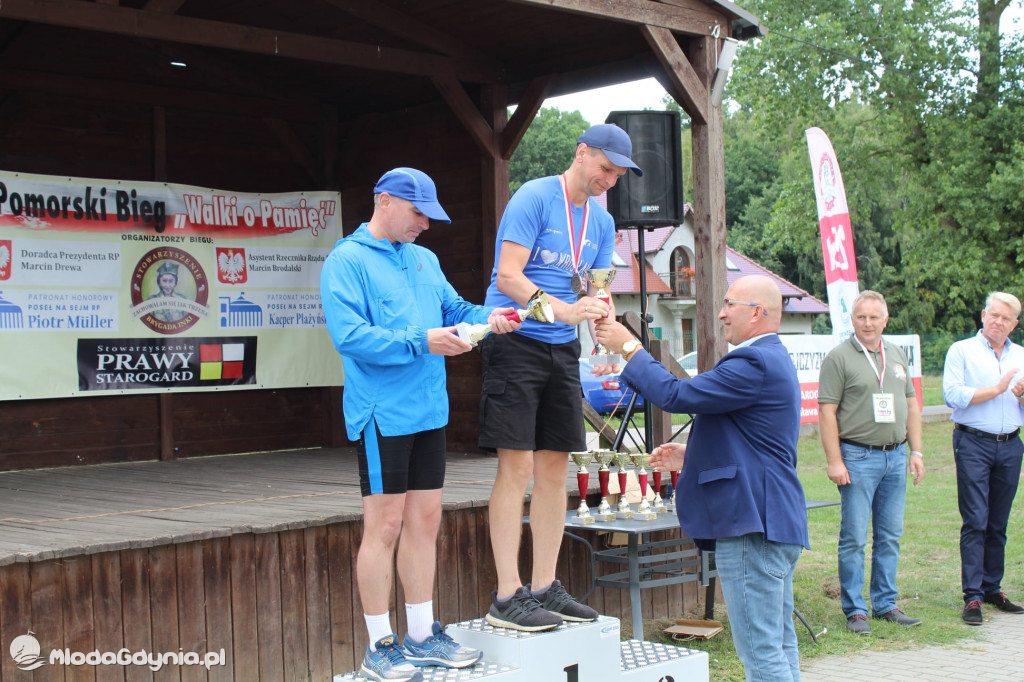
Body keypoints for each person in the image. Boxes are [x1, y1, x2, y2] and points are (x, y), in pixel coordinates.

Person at [321, 167, 520, 682]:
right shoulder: (346, 261)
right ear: (384, 201)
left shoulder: (425, 259)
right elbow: (351, 338)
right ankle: (378, 646)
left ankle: (421, 633)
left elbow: (456, 308)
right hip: (381, 414)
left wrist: (492, 317)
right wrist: (421, 341)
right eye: (417, 213)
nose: (425, 225)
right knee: (383, 526)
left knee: (425, 521)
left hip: (429, 410)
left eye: (429, 216)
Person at [595, 275, 809, 682]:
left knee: (762, 654)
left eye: (730, 304)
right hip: (770, 520)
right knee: (779, 645)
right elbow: (753, 441)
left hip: (752, 526)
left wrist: (627, 345)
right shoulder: (770, 359)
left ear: (758, 313)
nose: (722, 313)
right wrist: (691, 454)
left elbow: (677, 395)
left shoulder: (753, 361)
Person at [479, 123, 642, 631]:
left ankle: (544, 586)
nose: (609, 180)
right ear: (581, 153)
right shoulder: (534, 197)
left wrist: (600, 320)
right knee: (517, 469)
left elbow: (595, 287)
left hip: (563, 349)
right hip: (516, 339)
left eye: (618, 174)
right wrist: (559, 310)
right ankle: (508, 595)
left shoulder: (603, 220)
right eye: (605, 168)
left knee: (556, 470)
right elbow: (507, 275)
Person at [817, 290, 925, 635]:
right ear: (852, 319)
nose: (868, 323)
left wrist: (917, 451)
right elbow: (826, 411)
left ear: (885, 319)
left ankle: (886, 603)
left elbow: (911, 405)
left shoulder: (895, 354)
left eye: (874, 317)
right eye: (861, 317)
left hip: (895, 455)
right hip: (857, 456)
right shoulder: (839, 357)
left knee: (890, 534)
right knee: (854, 537)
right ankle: (855, 610)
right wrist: (835, 460)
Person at [942, 291, 1024, 626]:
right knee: (975, 519)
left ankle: (993, 587)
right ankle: (972, 595)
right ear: (982, 314)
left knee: (999, 522)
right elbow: (953, 395)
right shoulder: (962, 350)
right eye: (994, 315)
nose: (998, 322)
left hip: (1010, 444)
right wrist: (998, 388)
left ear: (1014, 324)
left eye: (1006, 318)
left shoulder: (1021, 355)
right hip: (973, 441)